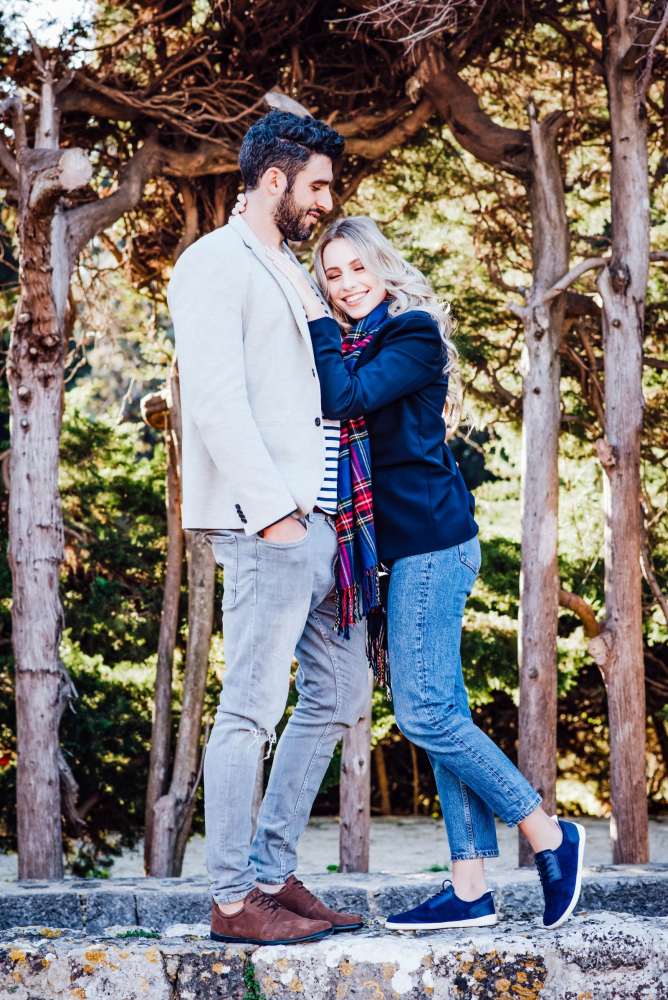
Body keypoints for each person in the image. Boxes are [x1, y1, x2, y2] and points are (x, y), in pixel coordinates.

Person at [268, 214, 586, 932]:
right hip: (400, 552)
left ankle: (547, 833)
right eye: (331, 275)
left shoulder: (411, 335)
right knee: (445, 713)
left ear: (383, 267)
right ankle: (470, 890)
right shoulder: (353, 344)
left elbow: (345, 398)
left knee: (425, 715)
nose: (347, 284)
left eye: (357, 268)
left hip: (433, 544)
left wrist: (315, 320)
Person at [167, 112, 370, 946]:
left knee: (341, 693)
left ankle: (273, 874)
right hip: (268, 528)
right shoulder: (213, 263)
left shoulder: (287, 268)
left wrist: (316, 520)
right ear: (275, 178)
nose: (325, 202)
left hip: (322, 527)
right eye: (317, 185)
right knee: (249, 711)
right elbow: (215, 400)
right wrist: (275, 515)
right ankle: (230, 901)